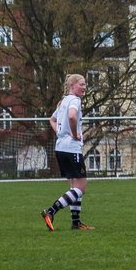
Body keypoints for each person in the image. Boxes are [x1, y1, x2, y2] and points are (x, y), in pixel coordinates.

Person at [40, 73, 94, 231]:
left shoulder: (63, 101)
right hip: (71, 149)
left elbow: (52, 119)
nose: (84, 87)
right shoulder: (74, 100)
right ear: (72, 86)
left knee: (74, 187)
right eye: (81, 84)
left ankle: (76, 223)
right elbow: (71, 116)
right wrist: (75, 134)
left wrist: (60, 132)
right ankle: (50, 211)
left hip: (60, 148)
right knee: (81, 188)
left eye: (85, 84)